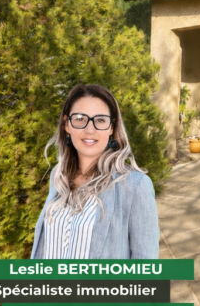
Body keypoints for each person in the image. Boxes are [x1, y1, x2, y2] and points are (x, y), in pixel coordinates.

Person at [31, 84, 159, 259]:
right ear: (67, 124)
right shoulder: (58, 175)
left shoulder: (134, 186)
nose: (90, 130)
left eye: (100, 120)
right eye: (79, 118)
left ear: (111, 127)